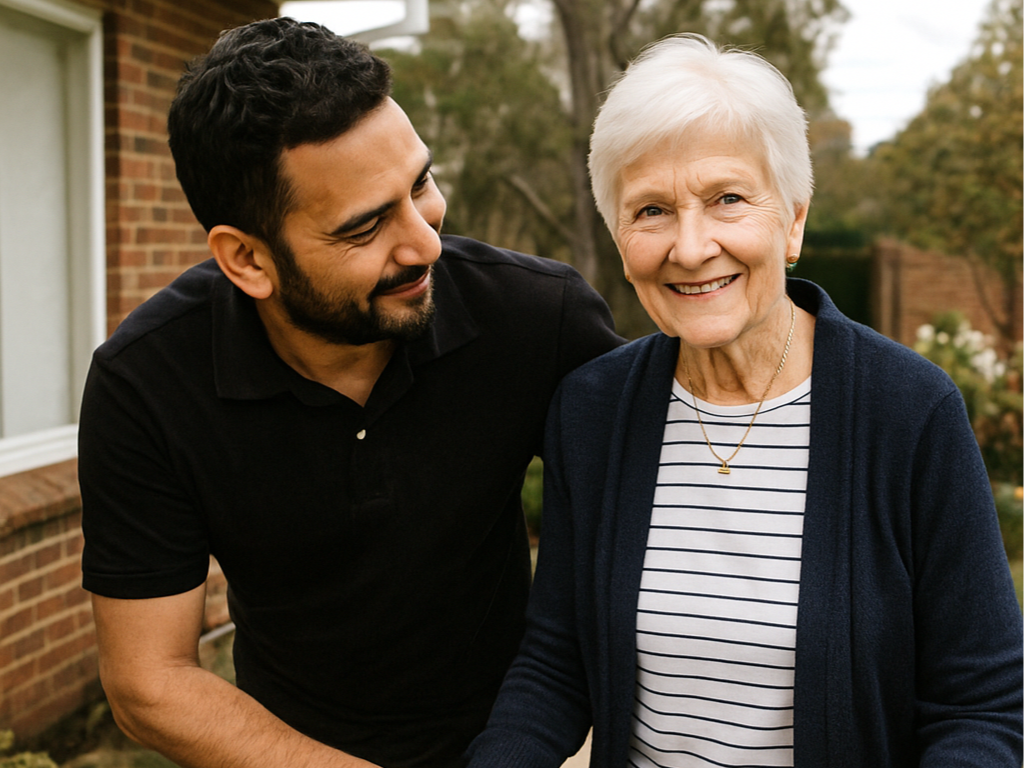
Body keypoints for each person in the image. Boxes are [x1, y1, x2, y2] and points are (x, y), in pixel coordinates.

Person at [466, 34, 1024, 768]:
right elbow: (556, 662)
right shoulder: (593, 412)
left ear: (792, 219)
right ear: (619, 236)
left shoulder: (909, 413)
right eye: (652, 211)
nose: (691, 247)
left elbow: (982, 707)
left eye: (727, 198)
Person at [78, 17, 621, 768]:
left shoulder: (539, 317)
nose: (426, 242)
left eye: (420, 183)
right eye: (365, 227)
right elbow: (148, 682)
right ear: (247, 259)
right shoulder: (143, 384)